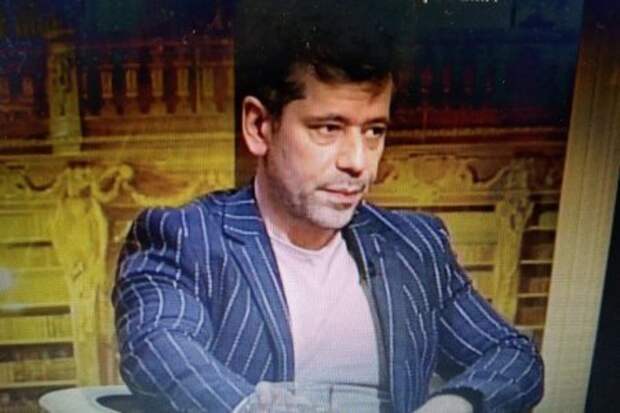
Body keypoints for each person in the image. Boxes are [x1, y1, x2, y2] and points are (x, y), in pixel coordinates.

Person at [113, 1, 544, 412]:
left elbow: (512, 355)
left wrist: (453, 405)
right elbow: (160, 348)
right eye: (328, 128)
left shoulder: (415, 246)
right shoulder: (186, 238)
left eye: (374, 131)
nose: (358, 162)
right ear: (259, 126)